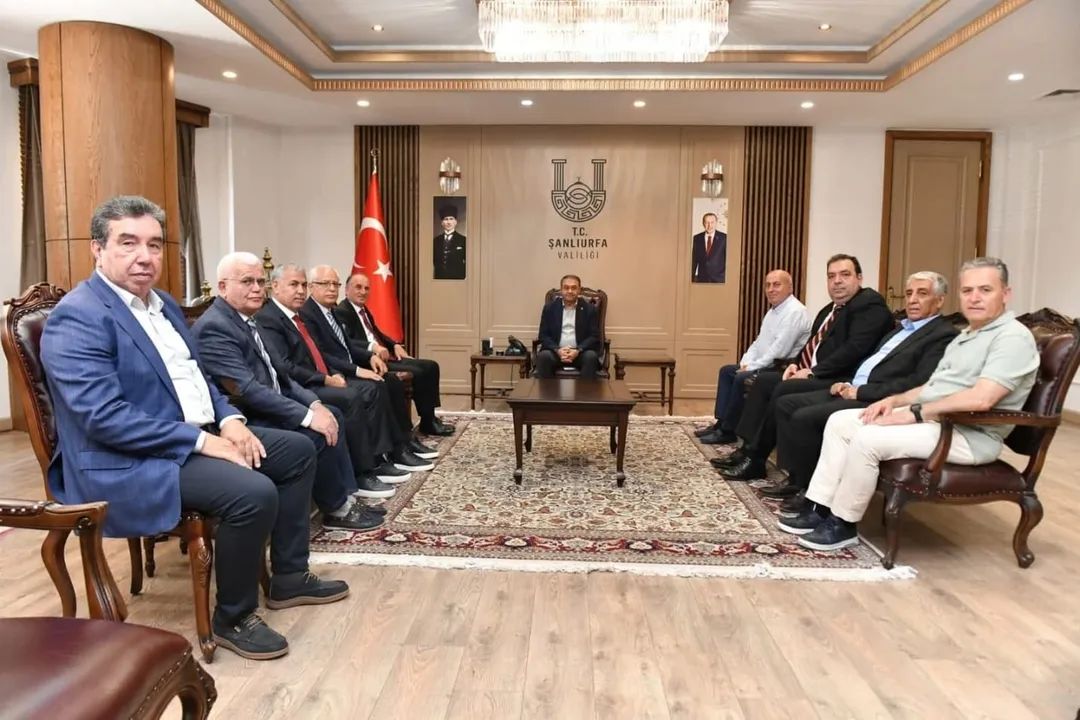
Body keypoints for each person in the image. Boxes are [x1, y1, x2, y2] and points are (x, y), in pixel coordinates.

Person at [40, 195, 348, 661]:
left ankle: (288, 577)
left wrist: (230, 420)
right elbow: (104, 418)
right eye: (128, 243)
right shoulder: (79, 316)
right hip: (126, 459)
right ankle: (233, 617)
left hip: (186, 435)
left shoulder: (163, 304)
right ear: (98, 249)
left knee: (298, 451)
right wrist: (203, 441)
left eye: (154, 244)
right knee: (253, 492)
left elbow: (200, 379)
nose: (145, 256)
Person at [779, 257, 1039, 551]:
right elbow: (933, 387)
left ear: (1005, 294)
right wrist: (893, 401)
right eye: (968, 290)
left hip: (968, 435)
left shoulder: (1012, 338)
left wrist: (914, 414)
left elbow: (982, 398)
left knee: (866, 439)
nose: (974, 298)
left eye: (985, 290)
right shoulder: (968, 336)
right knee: (840, 422)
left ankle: (843, 523)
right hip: (937, 422)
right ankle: (820, 506)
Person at [192, 252, 396, 513]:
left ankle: (346, 496)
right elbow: (249, 390)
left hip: (271, 403)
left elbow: (282, 376)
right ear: (222, 287)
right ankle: (337, 508)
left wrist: (314, 405)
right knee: (317, 431)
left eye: (260, 281)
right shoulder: (216, 327)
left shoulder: (248, 320)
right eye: (246, 281)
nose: (257, 288)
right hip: (245, 416)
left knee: (330, 413)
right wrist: (307, 417)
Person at [766, 271, 960, 505]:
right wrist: (848, 383)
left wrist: (861, 392)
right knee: (787, 403)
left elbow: (917, 382)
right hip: (855, 387)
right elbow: (871, 364)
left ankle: (810, 491)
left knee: (805, 417)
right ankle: (796, 479)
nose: (912, 300)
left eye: (922, 294)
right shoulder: (900, 329)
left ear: (939, 300)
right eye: (909, 293)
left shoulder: (942, 335)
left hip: (880, 399)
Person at [717, 254, 895, 480]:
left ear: (859, 278)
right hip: (813, 372)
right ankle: (747, 450)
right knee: (765, 380)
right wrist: (794, 364)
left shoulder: (869, 305)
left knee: (783, 388)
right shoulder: (829, 309)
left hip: (839, 377)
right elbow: (811, 344)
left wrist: (812, 372)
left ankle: (757, 458)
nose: (837, 281)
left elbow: (854, 349)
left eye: (845, 275)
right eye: (831, 276)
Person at [256, 264, 432, 485]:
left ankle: (393, 449)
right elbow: (286, 366)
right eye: (294, 285)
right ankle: (366, 468)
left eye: (302, 285)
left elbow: (323, 352)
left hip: (325, 375)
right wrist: (328, 378)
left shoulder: (299, 315)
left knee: (383, 383)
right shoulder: (272, 318)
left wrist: (362, 360)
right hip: (301, 386)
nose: (300, 291)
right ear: (275, 286)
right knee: (357, 395)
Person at [697, 269, 810, 445]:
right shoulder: (774, 311)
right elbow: (759, 342)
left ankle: (728, 430)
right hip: (763, 363)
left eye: (776, 285)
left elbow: (779, 351)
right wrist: (746, 362)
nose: (771, 289)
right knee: (727, 371)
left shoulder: (796, 312)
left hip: (780, 366)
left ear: (790, 288)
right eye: (768, 285)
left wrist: (750, 367)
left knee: (740, 377)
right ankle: (721, 422)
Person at [337, 271, 453, 436]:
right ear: (347, 290)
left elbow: (377, 333)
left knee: (431, 366)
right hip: (369, 361)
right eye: (358, 287)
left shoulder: (363, 310)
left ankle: (429, 419)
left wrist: (394, 345)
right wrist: (373, 347)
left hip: (385, 355)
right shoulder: (342, 311)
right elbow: (348, 341)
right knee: (418, 372)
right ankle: (422, 425)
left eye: (366, 288)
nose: (363, 292)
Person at [535, 274, 601, 379]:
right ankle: (548, 390)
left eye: (574, 288)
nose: (570, 291)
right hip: (556, 353)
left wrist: (578, 350)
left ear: (579, 290)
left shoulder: (589, 309)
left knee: (591, 357)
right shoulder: (550, 308)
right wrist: (557, 350)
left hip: (580, 353)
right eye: (566, 288)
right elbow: (543, 335)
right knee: (544, 356)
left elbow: (594, 336)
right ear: (561, 290)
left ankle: (585, 390)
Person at [691, 212, 727, 283]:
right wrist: (691, 279)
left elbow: (728, 261)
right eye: (707, 222)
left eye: (712, 222)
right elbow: (694, 260)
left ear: (716, 223)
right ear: (703, 223)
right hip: (702, 280)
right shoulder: (697, 238)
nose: (709, 225)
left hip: (719, 281)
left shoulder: (724, 238)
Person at [433, 204, 466, 280]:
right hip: (440, 279)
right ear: (442, 223)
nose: (448, 222)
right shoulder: (436, 241)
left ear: (455, 222)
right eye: (446, 219)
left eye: (451, 219)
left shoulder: (463, 240)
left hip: (458, 279)